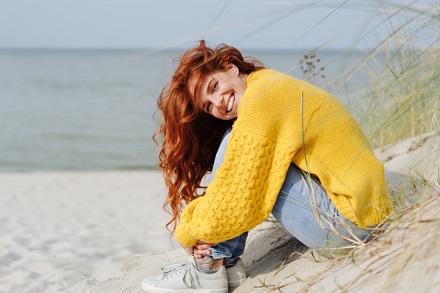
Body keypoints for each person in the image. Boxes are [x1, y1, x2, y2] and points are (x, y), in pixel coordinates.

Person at [141, 40, 392, 293]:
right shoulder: (268, 85)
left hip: (348, 227)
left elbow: (238, 194)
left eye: (214, 86)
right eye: (208, 105)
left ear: (231, 68)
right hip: (364, 215)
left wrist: (189, 231)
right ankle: (225, 265)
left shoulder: (263, 99)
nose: (217, 102)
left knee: (238, 154)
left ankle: (208, 268)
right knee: (237, 147)